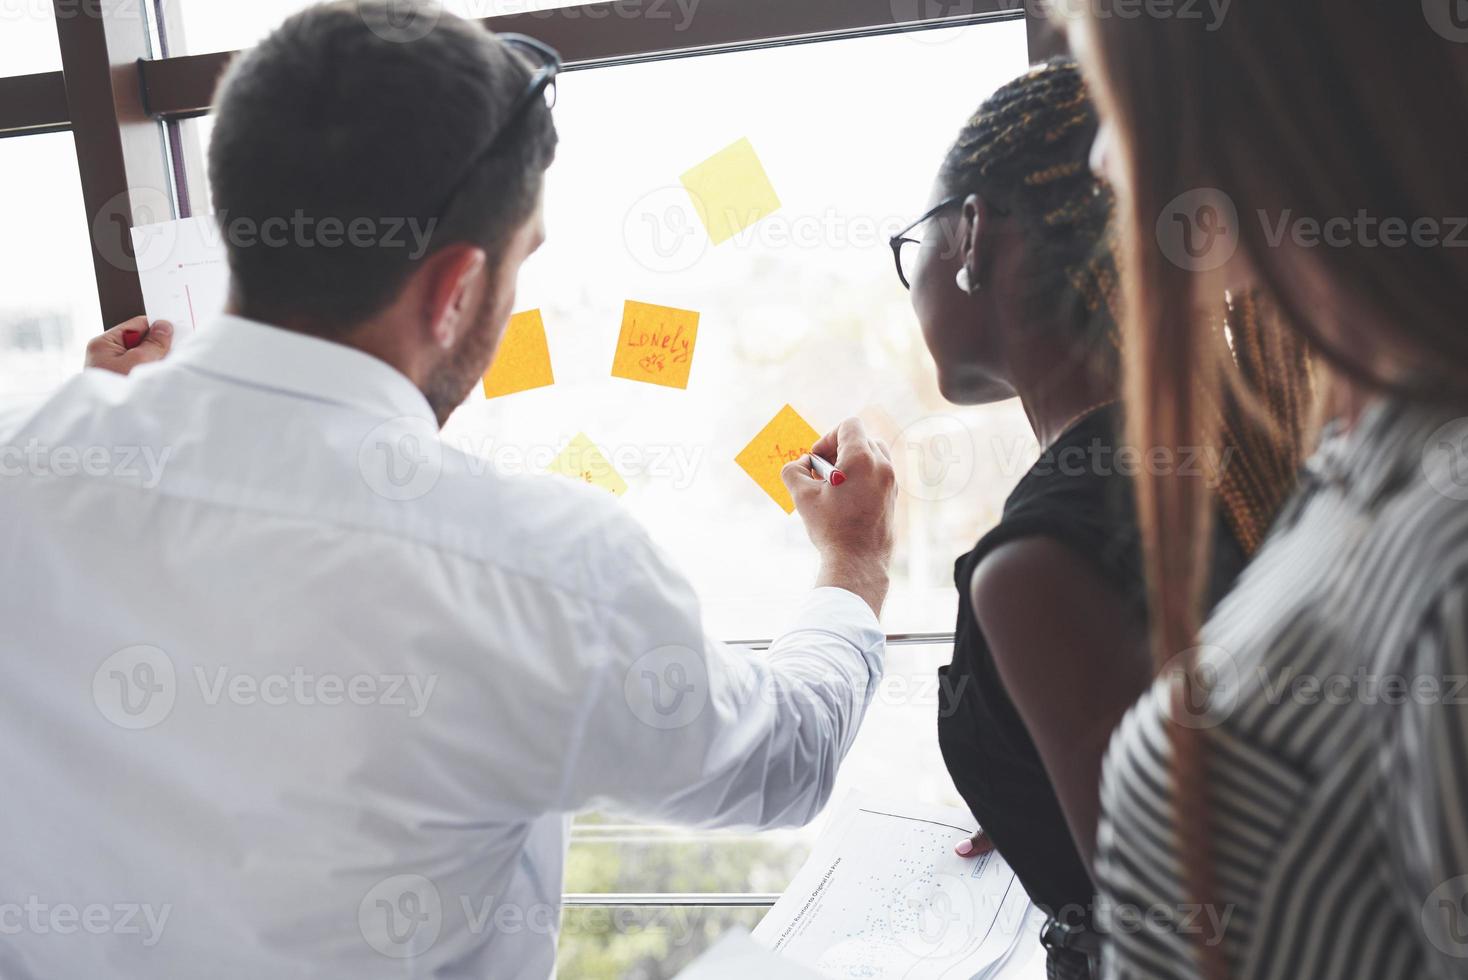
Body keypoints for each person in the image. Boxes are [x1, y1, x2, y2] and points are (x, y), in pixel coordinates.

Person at [0, 4, 896, 977]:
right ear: (457, 288)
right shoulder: (539, 561)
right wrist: (854, 559)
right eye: (523, 263)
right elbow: (786, 760)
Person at [1062, 5, 1468, 979]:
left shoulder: (1447, 548)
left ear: (1242, 110)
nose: (1103, 165)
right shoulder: (1360, 463)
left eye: (1116, 108)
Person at [894, 60, 1312, 979]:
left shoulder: (1041, 561)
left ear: (971, 236)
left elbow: (1192, 946)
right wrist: (1035, 793)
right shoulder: (1224, 464)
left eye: (911, 239)